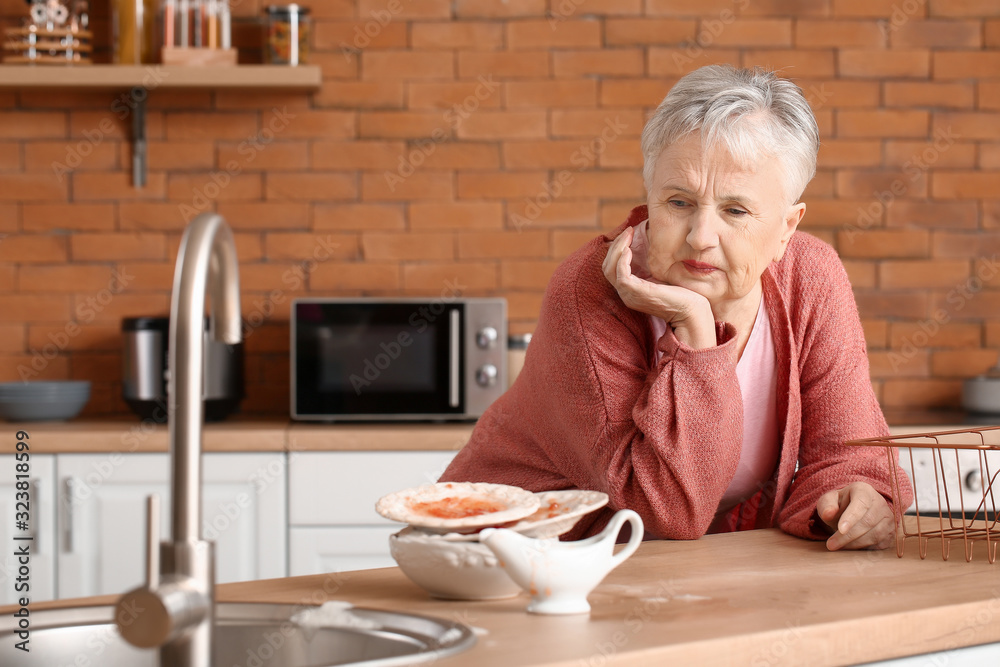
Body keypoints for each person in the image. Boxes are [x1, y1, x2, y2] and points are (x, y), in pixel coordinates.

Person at [440, 65, 913, 550]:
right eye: (679, 202)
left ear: (787, 228)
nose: (701, 237)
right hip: (501, 563)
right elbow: (659, 509)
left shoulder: (810, 276)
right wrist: (693, 327)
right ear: (650, 198)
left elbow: (850, 452)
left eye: (735, 211)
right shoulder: (587, 292)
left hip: (663, 576)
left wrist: (854, 499)